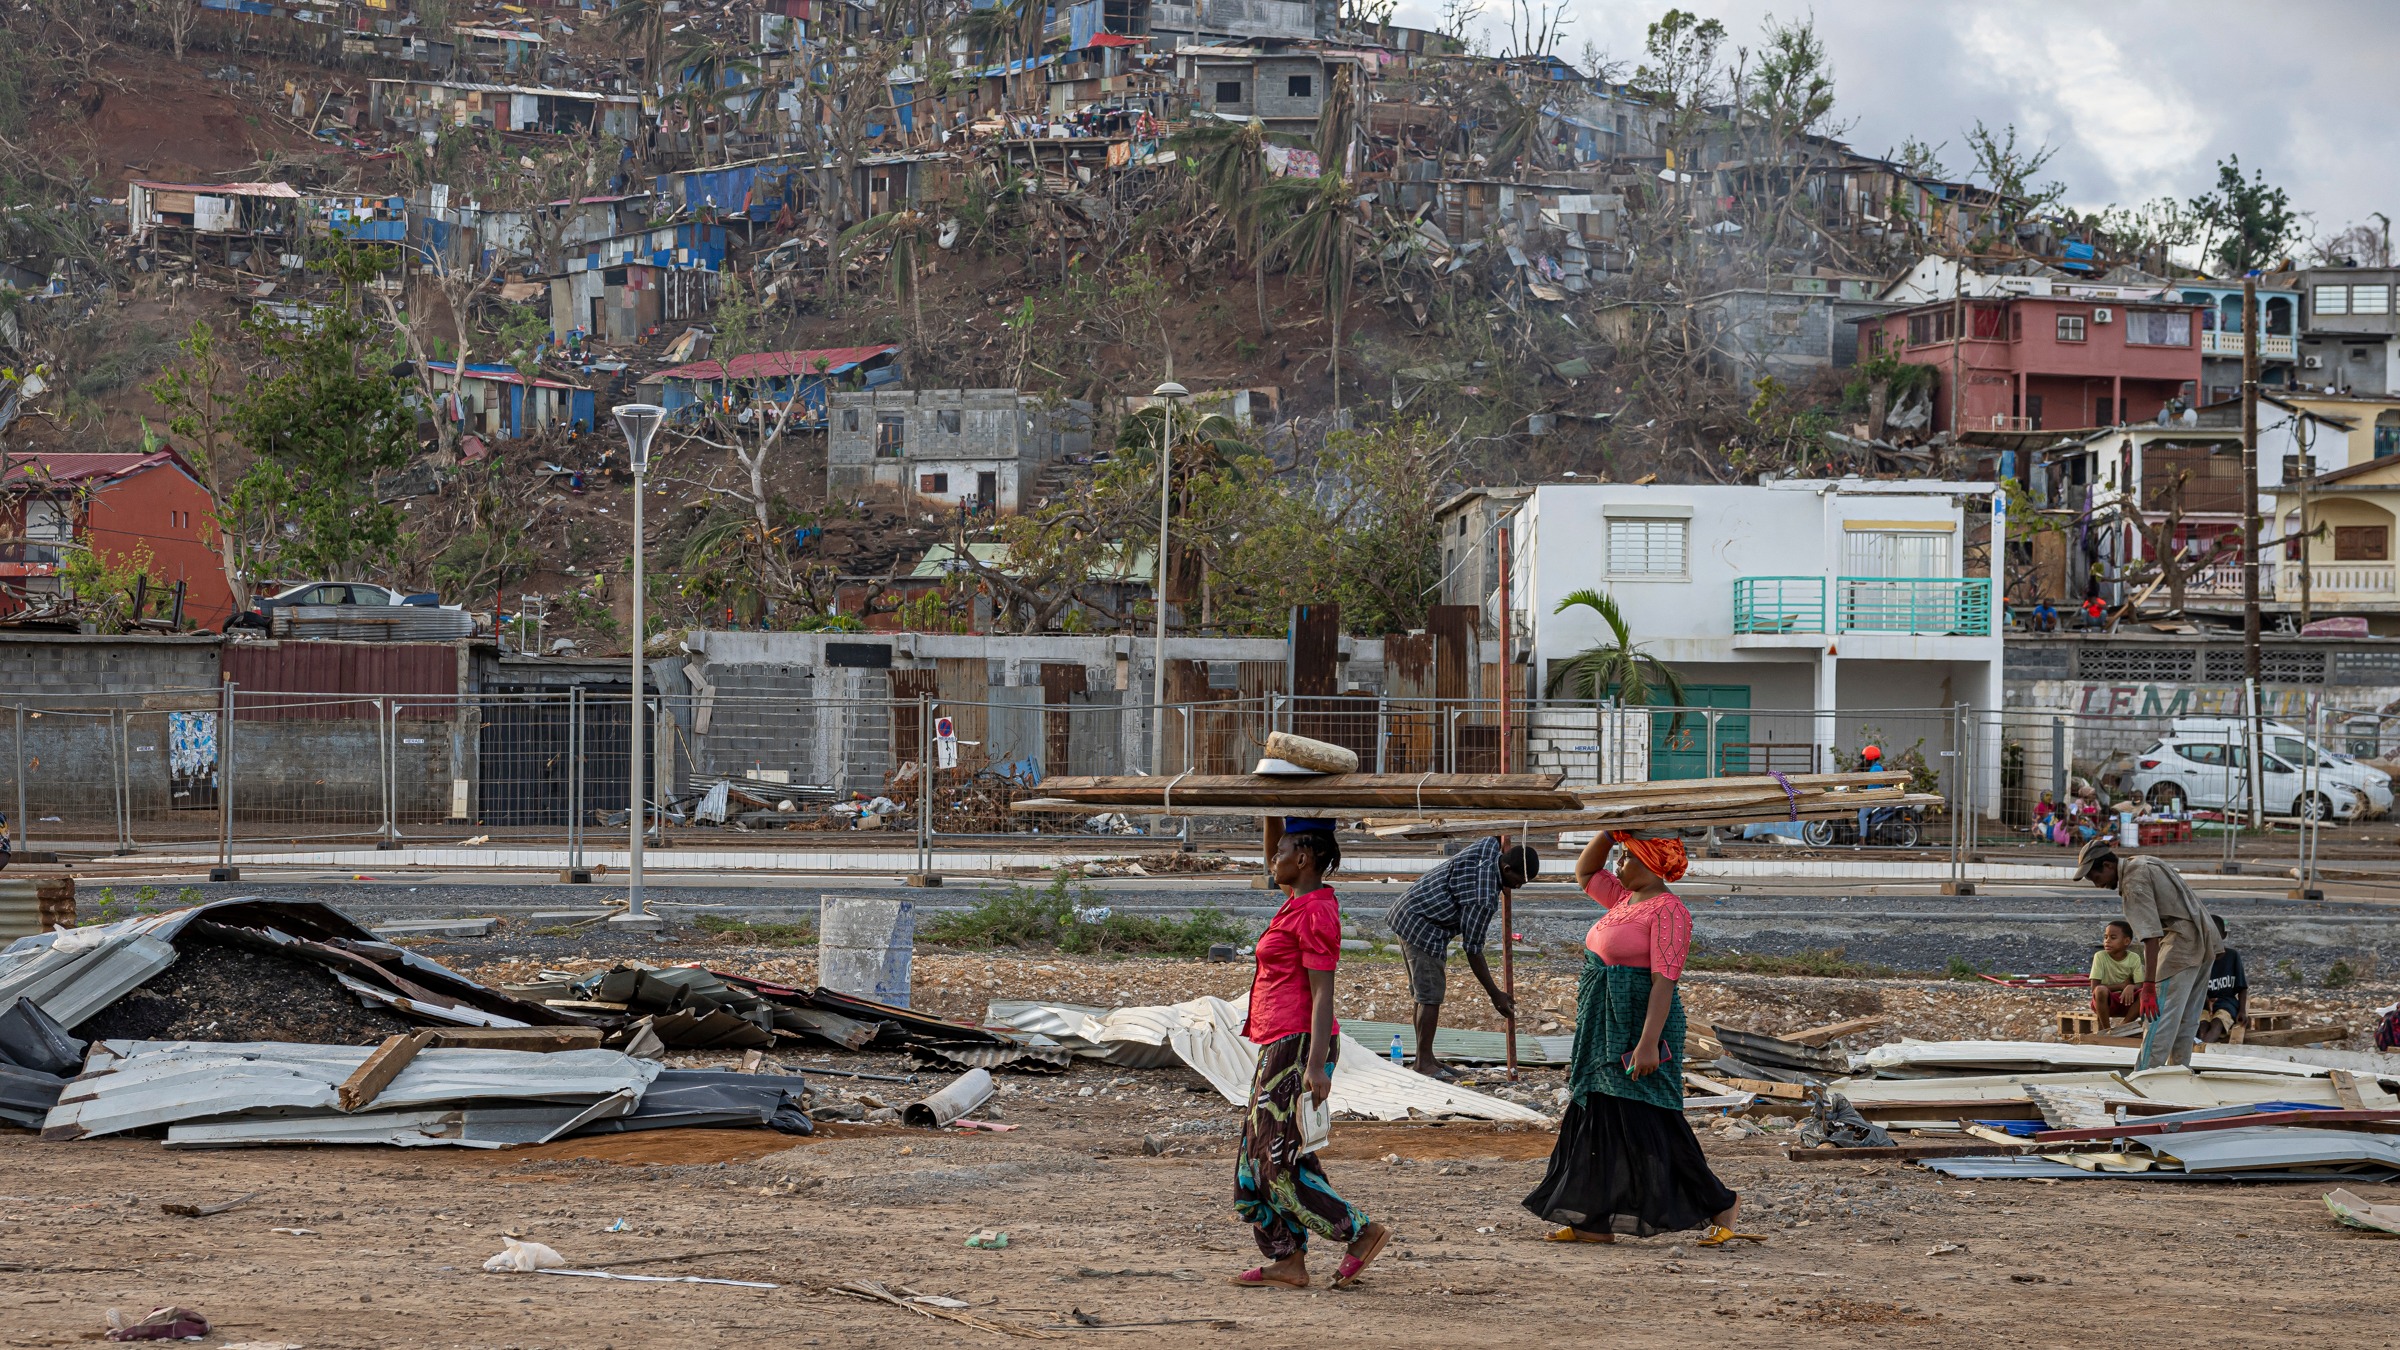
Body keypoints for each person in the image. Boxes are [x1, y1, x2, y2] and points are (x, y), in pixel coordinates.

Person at [1523, 830, 1759, 1247]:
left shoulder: (1669, 911)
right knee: (1597, 1112)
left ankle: (1721, 1203)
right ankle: (1592, 1221)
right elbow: (1585, 870)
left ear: (1651, 865)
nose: (1619, 864)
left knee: (1650, 1116)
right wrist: (1609, 830)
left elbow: (1664, 982)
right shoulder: (1622, 900)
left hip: (1641, 1024)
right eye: (1620, 856)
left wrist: (1648, 1042)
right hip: (1602, 1022)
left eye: (1627, 857)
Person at [1230, 818, 1389, 1290]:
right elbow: (1272, 847)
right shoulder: (1296, 903)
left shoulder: (1316, 913)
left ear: (1303, 859)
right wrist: (1269, 805)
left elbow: (1324, 995)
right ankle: (1288, 1258)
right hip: (1280, 1042)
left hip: (1300, 1045)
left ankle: (1359, 1233)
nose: (1270, 859)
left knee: (1273, 1163)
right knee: (1257, 1161)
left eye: (1280, 852)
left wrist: (1317, 1064)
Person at [1383, 834, 1537, 1081]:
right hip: (1423, 925)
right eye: (1518, 882)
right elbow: (1473, 949)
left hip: (1409, 908)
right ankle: (1423, 1064)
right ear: (1506, 868)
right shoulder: (1483, 897)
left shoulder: (1488, 848)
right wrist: (1495, 994)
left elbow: (1494, 837)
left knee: (1423, 996)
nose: (1516, 888)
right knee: (1430, 996)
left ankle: (1427, 1057)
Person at [2075, 838, 2221, 1069]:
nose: (2097, 884)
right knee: (2185, 1020)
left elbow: (2150, 937)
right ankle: (2178, 1075)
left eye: (2095, 877)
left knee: (2157, 1018)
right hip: (2203, 941)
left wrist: (2149, 987)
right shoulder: (2144, 862)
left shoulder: (2133, 884)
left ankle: (2144, 1078)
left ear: (2108, 866)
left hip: (2179, 945)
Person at [2088, 919, 2146, 1031]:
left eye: (2113, 938)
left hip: (2128, 1002)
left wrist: (2130, 987)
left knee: (2145, 993)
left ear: (2126, 941)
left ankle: (2123, 1026)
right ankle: (2106, 1029)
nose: (2107, 941)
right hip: (2106, 1003)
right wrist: (2121, 986)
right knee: (2100, 990)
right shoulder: (2100, 956)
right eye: (2105, 937)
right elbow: (2094, 988)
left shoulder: (2134, 958)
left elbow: (2140, 985)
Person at [2197, 916, 2249, 1044]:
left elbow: (2242, 988)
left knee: (2217, 1024)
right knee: (2202, 1026)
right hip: (2204, 1005)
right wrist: (2206, 1000)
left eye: (2216, 936)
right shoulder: (2200, 959)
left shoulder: (2232, 956)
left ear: (2223, 935)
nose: (2212, 941)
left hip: (2227, 1003)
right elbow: (2196, 987)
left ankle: (2202, 1052)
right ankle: (2201, 1050)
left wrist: (2242, 1011)